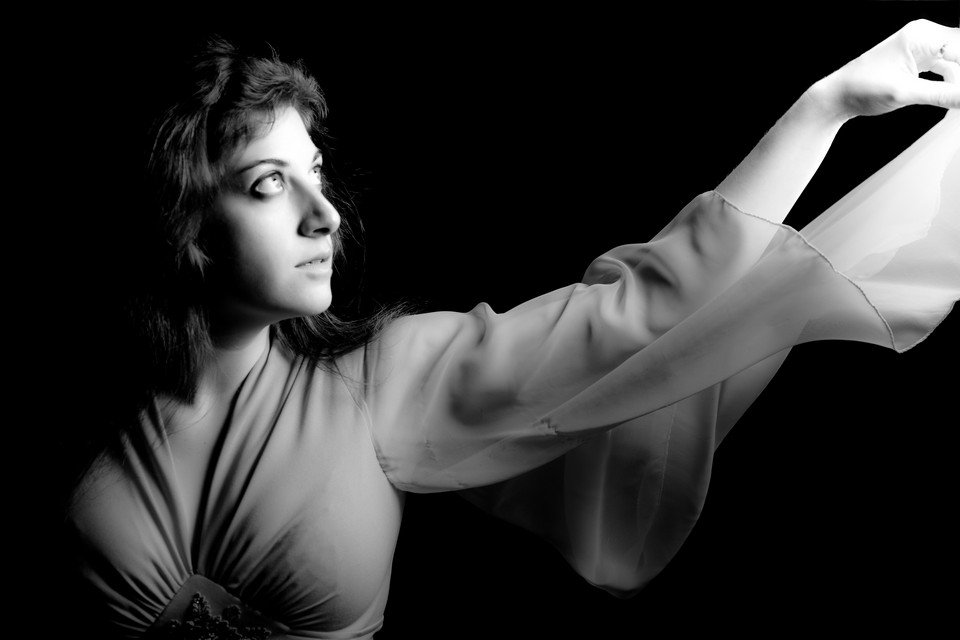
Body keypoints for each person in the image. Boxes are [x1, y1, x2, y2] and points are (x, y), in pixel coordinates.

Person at [53, 14, 958, 640]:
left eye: (316, 173)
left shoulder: (379, 383)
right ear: (184, 225)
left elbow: (635, 315)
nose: (323, 215)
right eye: (267, 186)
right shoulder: (89, 404)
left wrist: (826, 107)